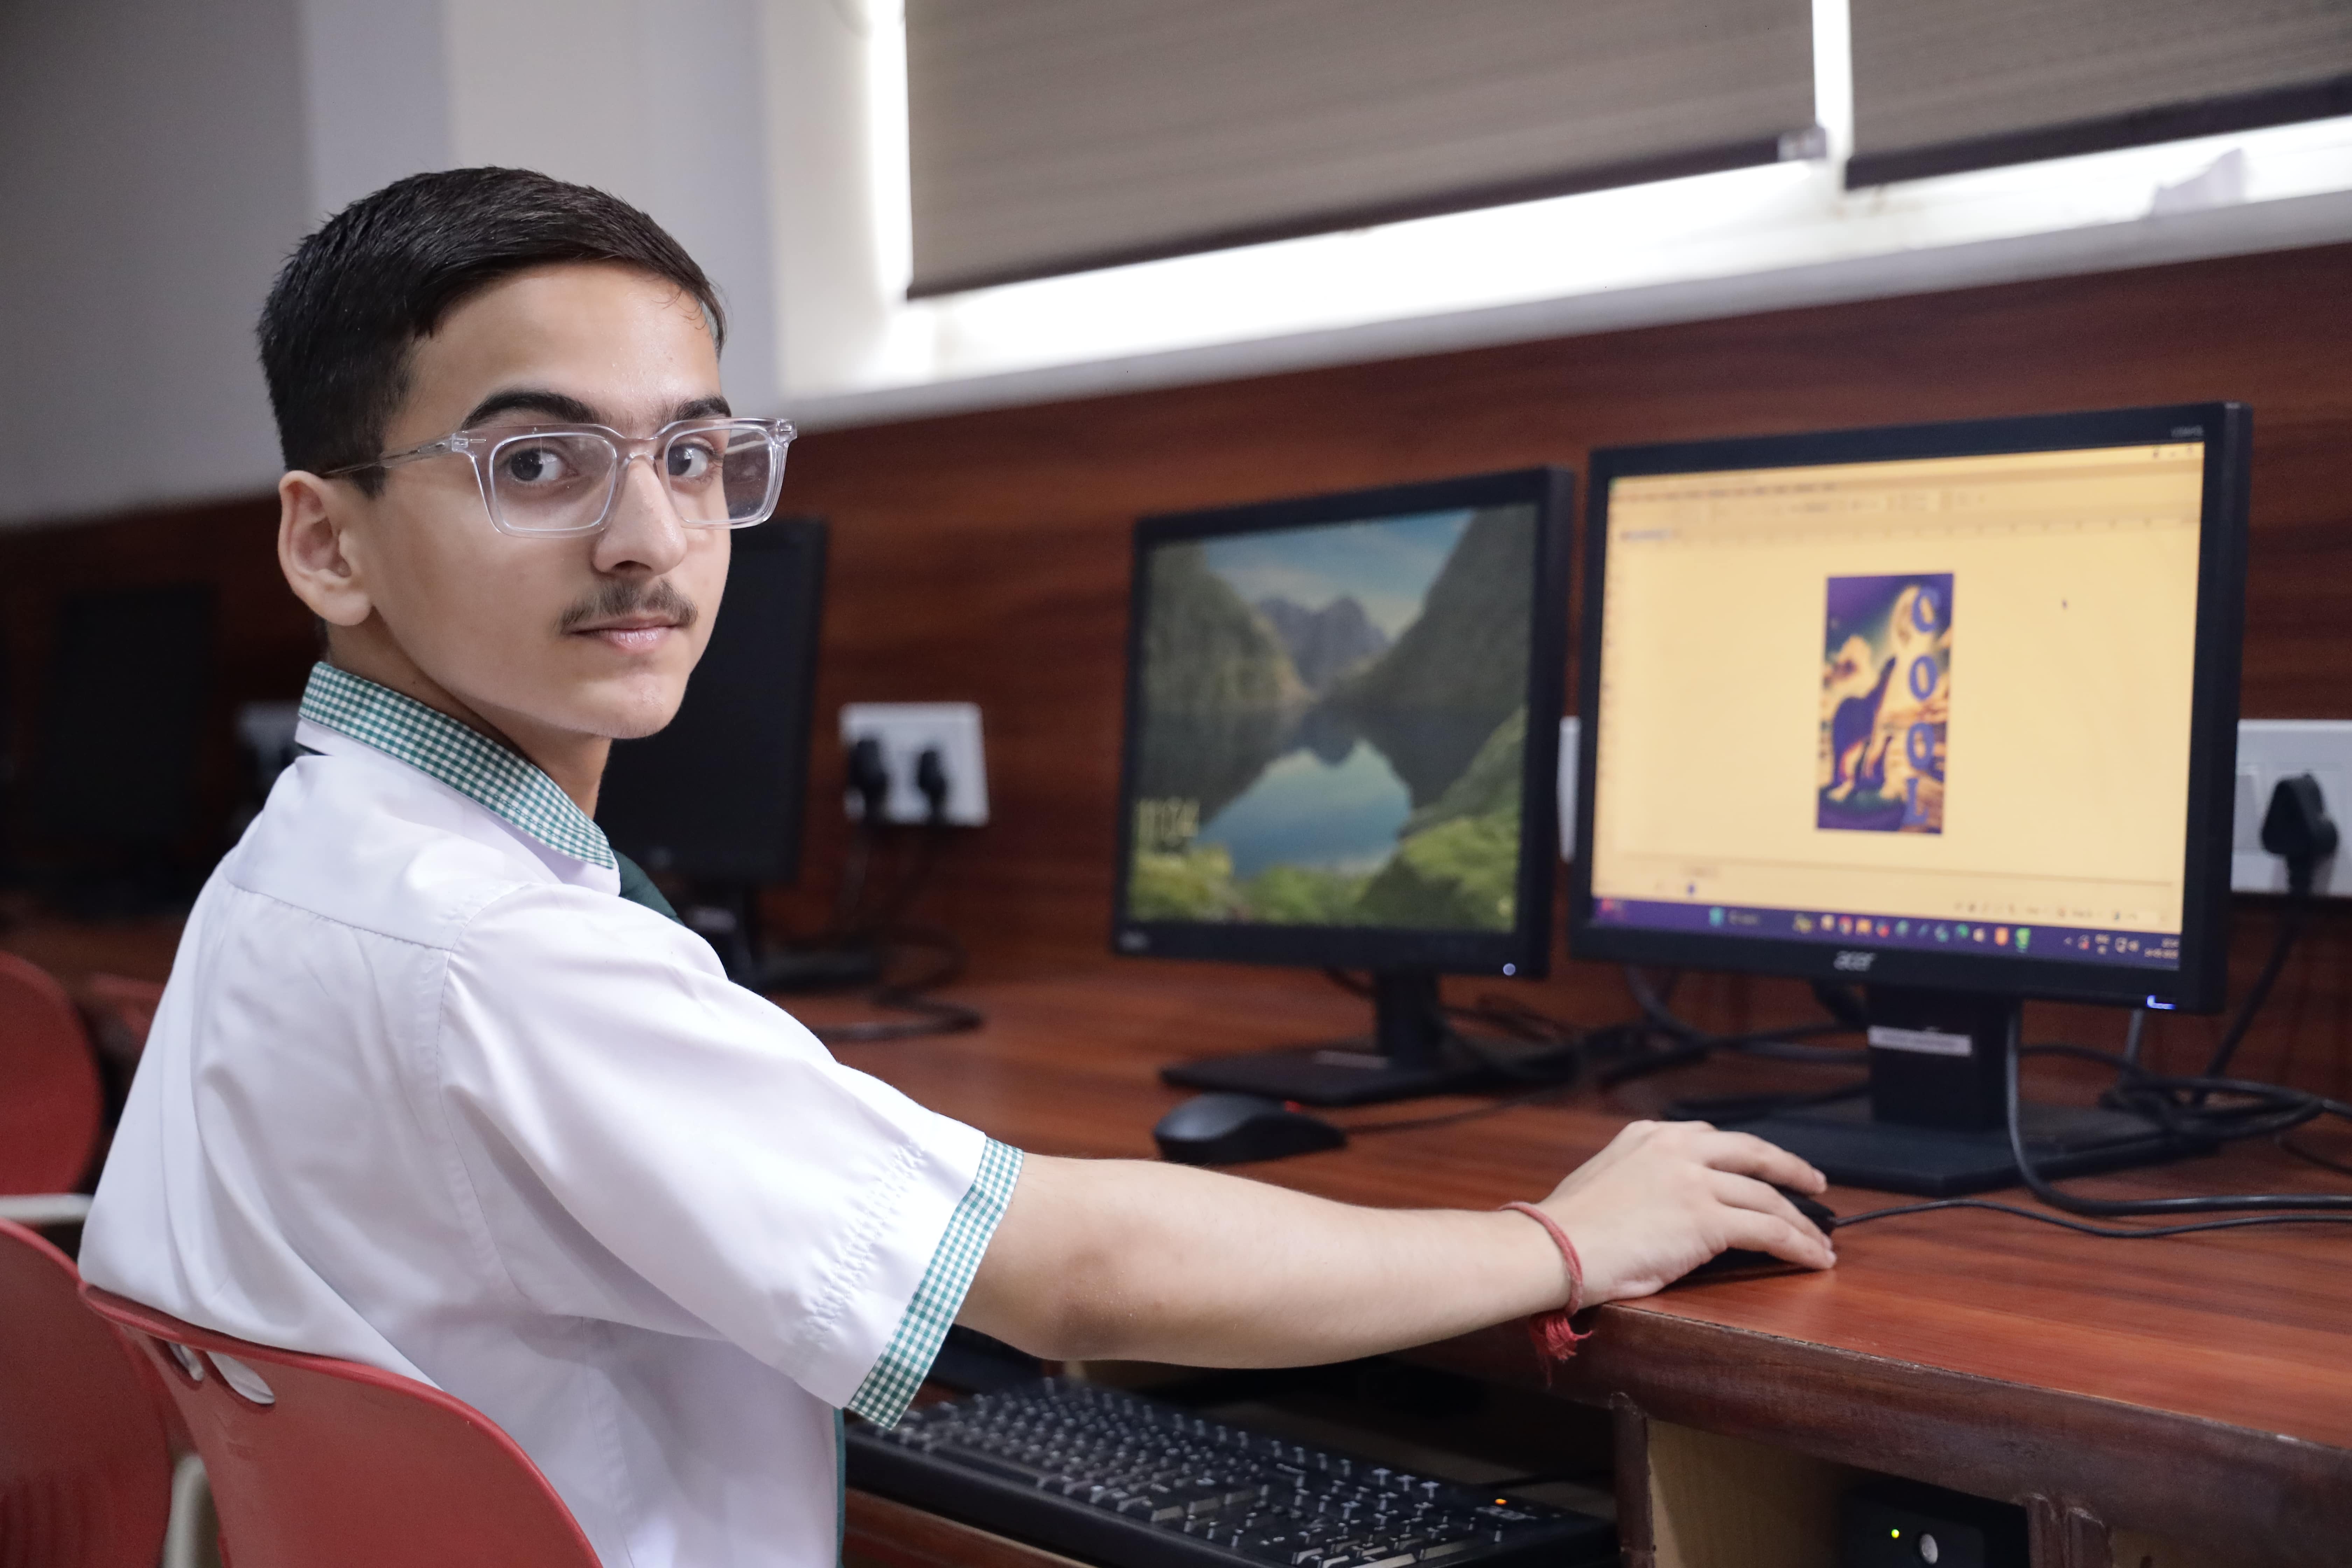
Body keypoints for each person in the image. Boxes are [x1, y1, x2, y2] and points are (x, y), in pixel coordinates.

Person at [81, 168, 1833, 1568]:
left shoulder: (307, 866)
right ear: (328, 542)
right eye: (537, 463)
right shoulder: (487, 951)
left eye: (693, 454)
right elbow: (1067, 1274)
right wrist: (1561, 1237)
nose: (651, 536)